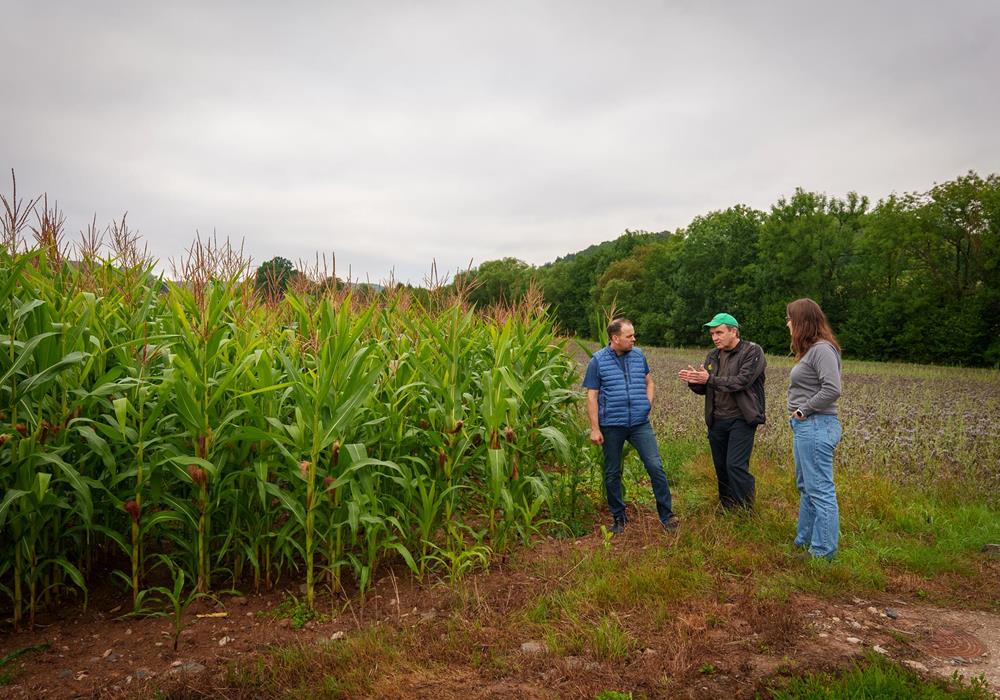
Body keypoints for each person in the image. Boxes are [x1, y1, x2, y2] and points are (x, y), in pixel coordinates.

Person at [583, 318, 678, 535]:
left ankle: (667, 516)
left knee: (656, 467)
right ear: (615, 338)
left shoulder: (638, 355)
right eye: (629, 336)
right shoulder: (597, 361)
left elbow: (649, 382)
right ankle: (619, 518)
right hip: (612, 426)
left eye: (633, 335)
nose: (634, 339)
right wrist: (595, 428)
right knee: (612, 472)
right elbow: (592, 396)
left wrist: (647, 405)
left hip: (639, 423)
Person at [678, 312, 766, 511]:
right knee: (721, 467)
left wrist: (708, 379)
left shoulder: (752, 352)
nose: (715, 337)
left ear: (733, 331)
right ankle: (727, 507)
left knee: (735, 465)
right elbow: (707, 387)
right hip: (717, 419)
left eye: (719, 332)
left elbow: (742, 381)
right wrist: (694, 381)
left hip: (742, 418)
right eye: (712, 333)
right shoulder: (713, 355)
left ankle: (745, 510)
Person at [786, 298, 842, 560]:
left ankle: (822, 552)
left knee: (820, 488)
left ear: (802, 322)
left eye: (790, 319)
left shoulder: (822, 350)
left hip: (817, 424)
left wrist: (803, 410)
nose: (787, 323)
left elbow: (832, 388)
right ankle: (804, 541)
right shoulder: (811, 351)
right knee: (806, 486)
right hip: (806, 426)